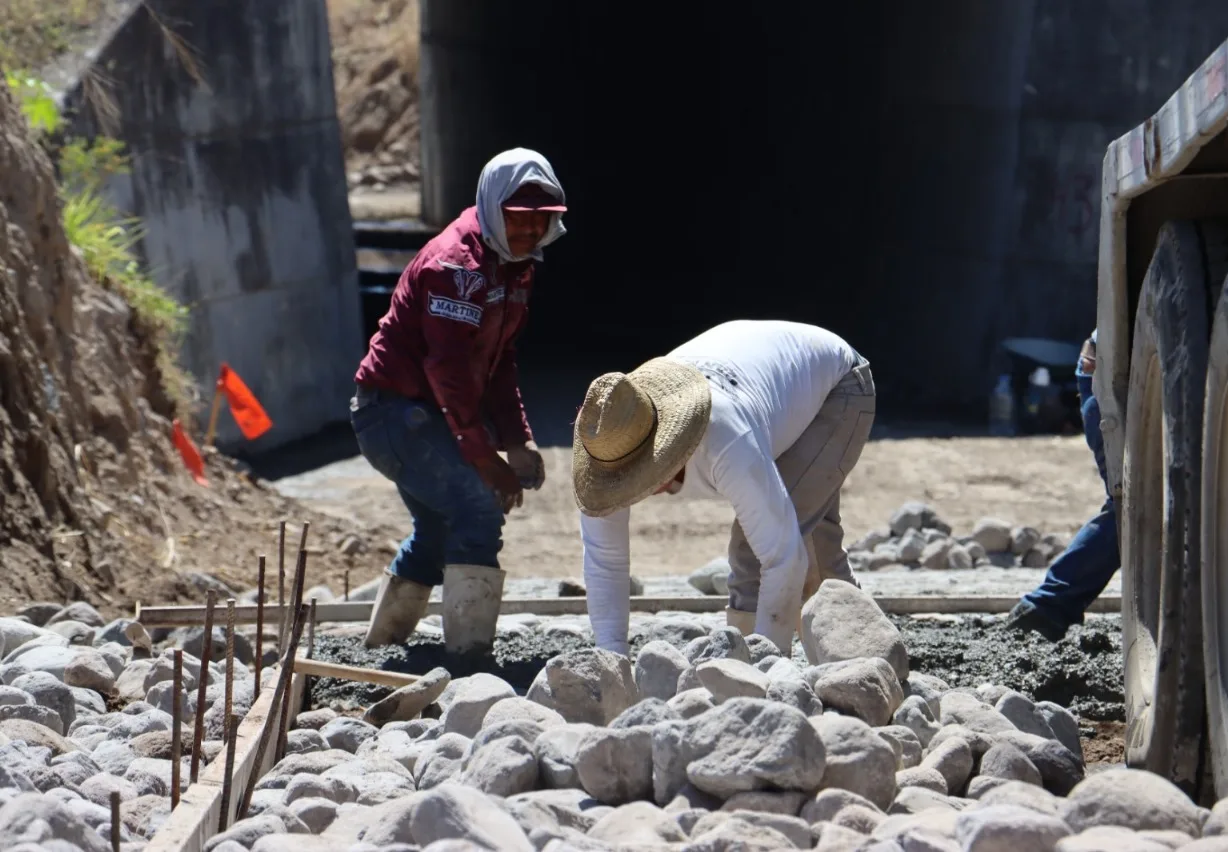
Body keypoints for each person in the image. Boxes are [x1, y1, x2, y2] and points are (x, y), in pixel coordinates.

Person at [350, 148, 567, 652]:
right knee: (478, 510)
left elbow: (498, 360)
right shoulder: (457, 266)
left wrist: (517, 440)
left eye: (542, 219)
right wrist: (485, 459)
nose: (530, 230)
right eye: (519, 217)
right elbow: (446, 369)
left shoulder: (515, 264)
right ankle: (469, 660)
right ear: (493, 208)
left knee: (438, 526)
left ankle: (382, 649)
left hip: (426, 417)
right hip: (393, 415)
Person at [573, 320, 876, 654]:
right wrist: (613, 660)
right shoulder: (606, 436)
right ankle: (863, 656)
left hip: (838, 385)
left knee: (759, 554)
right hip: (771, 389)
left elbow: (781, 557)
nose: (629, 489)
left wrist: (765, 669)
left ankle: (823, 663)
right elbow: (606, 562)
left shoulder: (724, 439)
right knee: (813, 549)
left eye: (635, 478)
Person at [1005, 329, 1119, 641]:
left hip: (1106, 369)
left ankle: (1047, 605)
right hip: (1108, 376)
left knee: (1132, 508)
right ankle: (1045, 607)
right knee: (1131, 506)